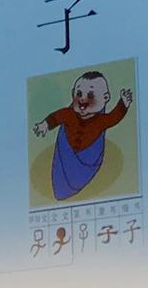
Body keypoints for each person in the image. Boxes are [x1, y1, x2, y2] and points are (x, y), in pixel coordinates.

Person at [33, 71, 133, 200]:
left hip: (86, 162)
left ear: (106, 98)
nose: (82, 100)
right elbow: (56, 117)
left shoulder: (101, 121)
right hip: (66, 157)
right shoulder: (69, 114)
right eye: (79, 94)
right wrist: (44, 125)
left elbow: (114, 118)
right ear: (73, 94)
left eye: (90, 95)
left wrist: (123, 104)